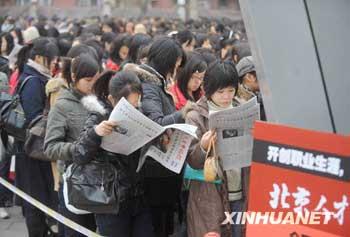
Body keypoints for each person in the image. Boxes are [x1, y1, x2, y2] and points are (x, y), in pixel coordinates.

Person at [72, 70, 154, 237]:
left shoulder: (141, 114)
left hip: (138, 195)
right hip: (111, 200)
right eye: (127, 107)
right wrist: (96, 133)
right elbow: (79, 154)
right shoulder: (98, 116)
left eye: (136, 104)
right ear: (111, 99)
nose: (134, 109)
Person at [124, 37, 188, 237]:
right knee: (159, 223)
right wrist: (182, 113)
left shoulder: (156, 82)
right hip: (156, 169)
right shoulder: (149, 86)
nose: (175, 71)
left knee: (163, 221)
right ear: (165, 61)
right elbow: (157, 124)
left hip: (162, 166)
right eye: (174, 66)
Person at [185, 60, 244, 237]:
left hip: (241, 192)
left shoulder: (242, 109)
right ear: (208, 89)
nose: (226, 97)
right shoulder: (196, 117)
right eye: (221, 92)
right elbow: (192, 161)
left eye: (231, 91)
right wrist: (203, 146)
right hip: (210, 196)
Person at [44, 52, 100, 237]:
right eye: (88, 80)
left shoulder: (97, 100)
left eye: (96, 79)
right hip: (74, 182)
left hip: (99, 180)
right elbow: (50, 148)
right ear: (74, 77)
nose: (93, 84)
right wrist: (78, 148)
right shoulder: (62, 105)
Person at [15, 37, 60, 237]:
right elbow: (34, 121)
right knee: (35, 202)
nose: (54, 64)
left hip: (34, 151)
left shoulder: (34, 75)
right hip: (32, 151)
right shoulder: (34, 81)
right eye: (52, 60)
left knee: (40, 200)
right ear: (40, 58)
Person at [235, 56, 266, 121]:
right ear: (249, 77)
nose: (266, 78)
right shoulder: (238, 105)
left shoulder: (261, 97)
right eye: (262, 74)